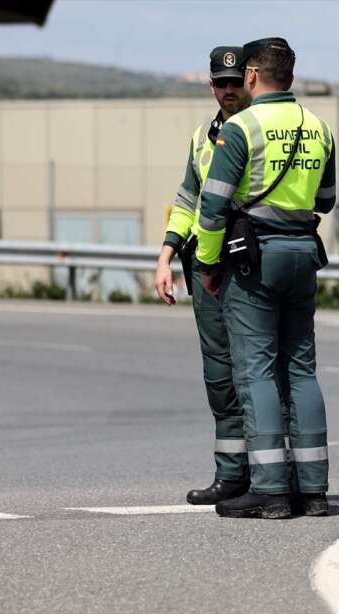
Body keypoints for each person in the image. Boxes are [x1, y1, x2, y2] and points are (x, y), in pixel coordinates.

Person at [194, 37, 336, 519]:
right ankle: (313, 490)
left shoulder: (240, 130)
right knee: (301, 368)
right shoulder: (319, 128)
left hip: (256, 259)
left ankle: (271, 489)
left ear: (252, 75)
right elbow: (327, 200)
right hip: (303, 254)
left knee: (255, 370)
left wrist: (209, 266)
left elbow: (211, 209)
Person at [152, 46, 253, 506]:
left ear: (249, 82)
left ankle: (276, 473)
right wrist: (166, 255)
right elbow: (187, 198)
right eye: (221, 83)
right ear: (212, 86)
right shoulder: (202, 136)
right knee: (219, 372)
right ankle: (231, 474)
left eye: (236, 82)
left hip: (246, 260)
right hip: (202, 263)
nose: (229, 90)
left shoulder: (257, 129)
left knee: (258, 369)